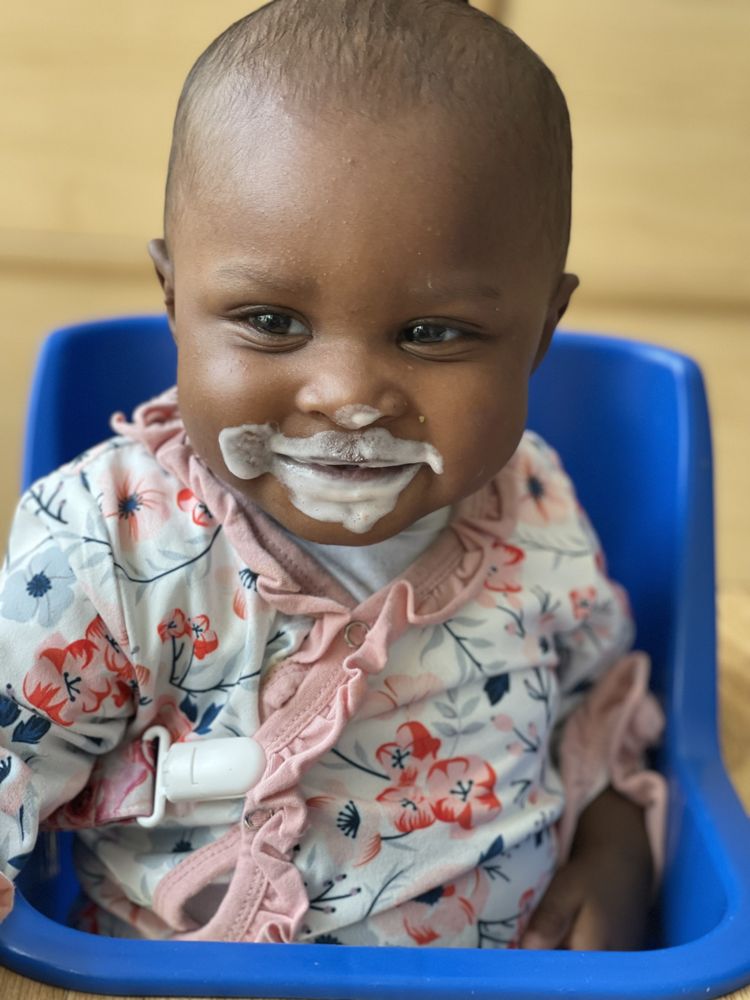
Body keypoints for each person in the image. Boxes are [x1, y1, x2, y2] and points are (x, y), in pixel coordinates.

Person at [0, 0, 666, 949]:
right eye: (271, 321)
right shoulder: (104, 545)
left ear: (541, 333)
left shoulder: (534, 502)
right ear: (175, 297)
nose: (349, 398)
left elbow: (599, 693)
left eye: (431, 334)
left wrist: (615, 842)